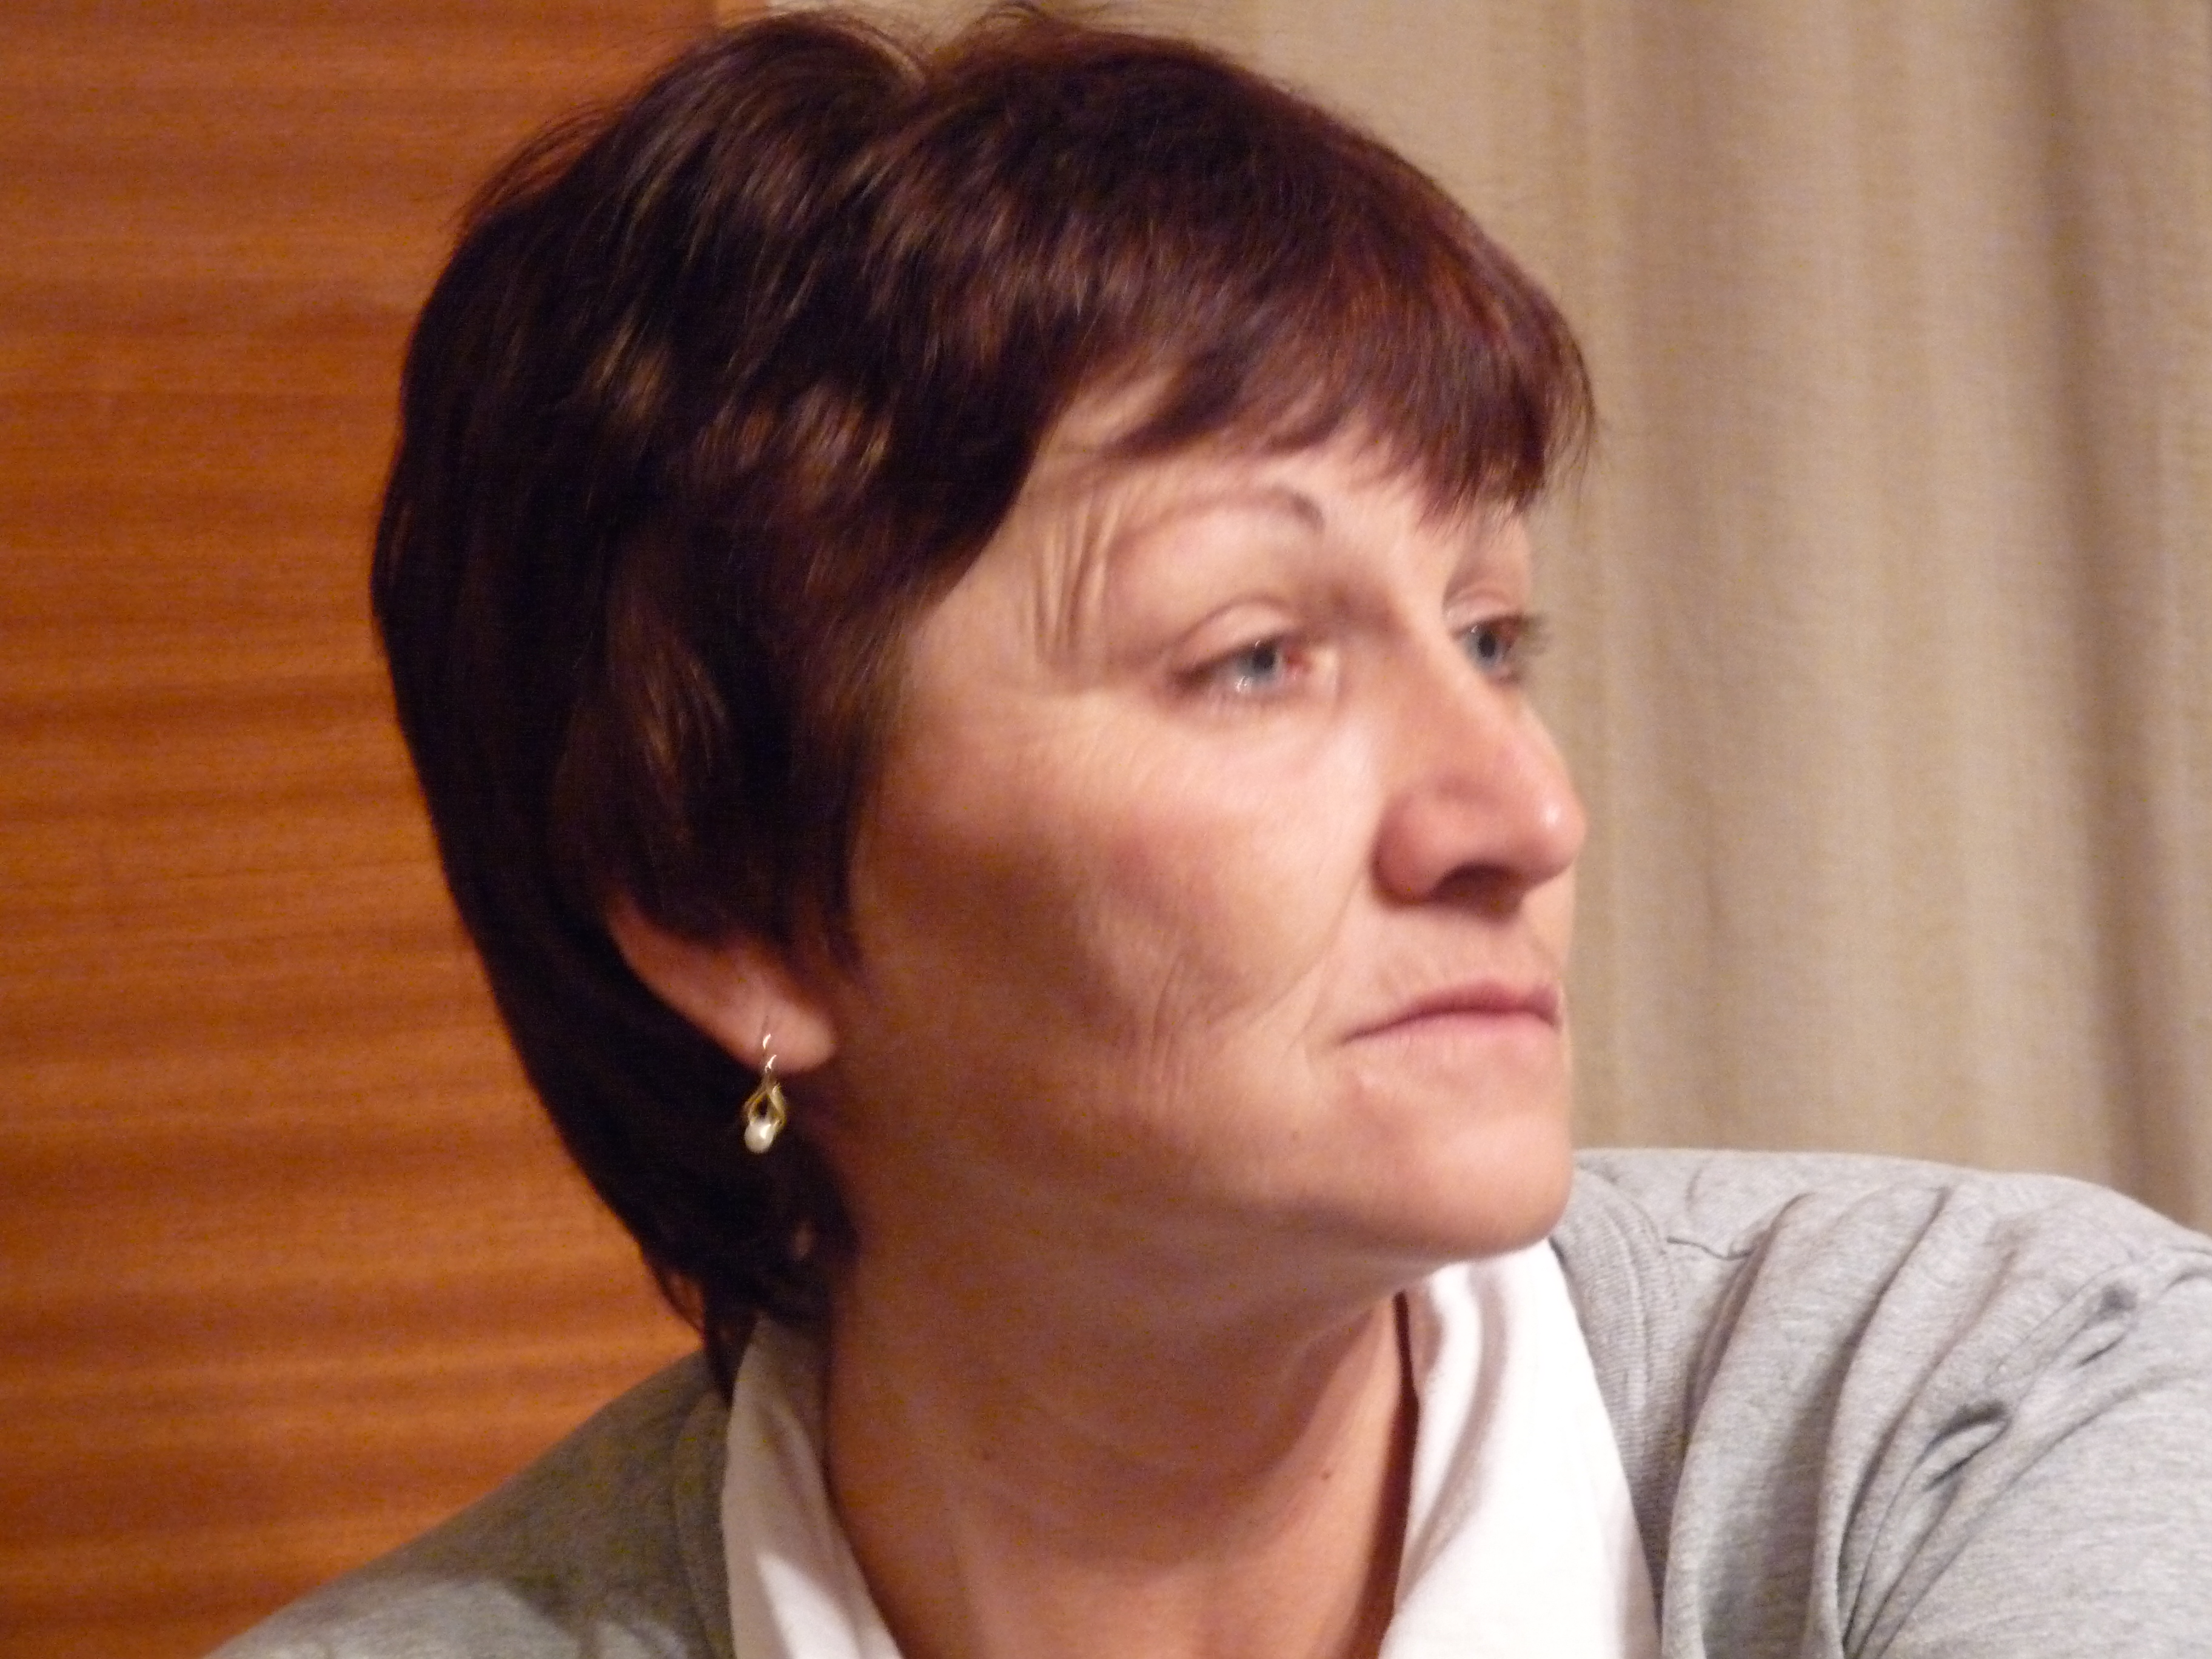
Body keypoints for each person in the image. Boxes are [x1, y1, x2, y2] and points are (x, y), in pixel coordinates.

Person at [216, 7, 2212, 1657]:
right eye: (1255, 659)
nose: (1525, 817)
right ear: (729, 902)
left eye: (1493, 636)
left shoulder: (1998, 1412)